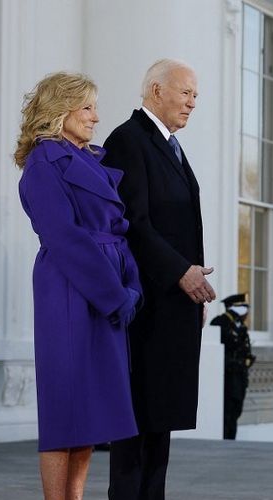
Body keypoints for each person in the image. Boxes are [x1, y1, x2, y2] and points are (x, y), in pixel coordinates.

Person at [15, 72, 141, 500]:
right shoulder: (43, 164)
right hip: (69, 291)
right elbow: (64, 236)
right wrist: (113, 294)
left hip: (106, 286)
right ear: (60, 110)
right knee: (64, 411)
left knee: (92, 413)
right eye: (87, 107)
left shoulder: (88, 159)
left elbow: (118, 229)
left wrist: (132, 286)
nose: (96, 116)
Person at [103, 59, 216, 500]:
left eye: (196, 96)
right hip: (146, 303)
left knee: (161, 417)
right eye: (186, 93)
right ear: (155, 90)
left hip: (175, 302)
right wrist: (179, 272)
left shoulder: (170, 145)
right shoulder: (128, 140)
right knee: (137, 419)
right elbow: (132, 221)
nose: (192, 103)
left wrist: (192, 286)